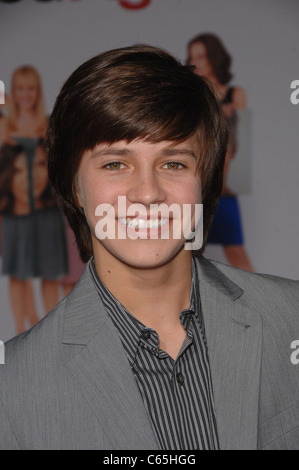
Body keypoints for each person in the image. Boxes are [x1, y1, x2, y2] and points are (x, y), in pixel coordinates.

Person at [0, 45, 298, 450]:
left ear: (204, 181)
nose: (147, 193)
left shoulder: (291, 321)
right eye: (115, 164)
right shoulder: (12, 386)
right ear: (74, 186)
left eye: (173, 163)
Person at [0, 66, 68, 333]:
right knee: (18, 274)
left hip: (47, 209)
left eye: (31, 88)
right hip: (15, 211)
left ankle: (49, 332)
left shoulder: (48, 123)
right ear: (12, 92)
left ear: (37, 91)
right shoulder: (5, 124)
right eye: (20, 88)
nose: (25, 94)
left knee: (49, 273)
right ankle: (20, 332)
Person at [187, 33, 254, 271]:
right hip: (192, 186)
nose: (197, 63)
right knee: (186, 252)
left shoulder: (235, 94)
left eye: (202, 57)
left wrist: (228, 119)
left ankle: (259, 304)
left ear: (215, 58)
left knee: (234, 249)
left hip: (223, 188)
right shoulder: (188, 97)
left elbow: (242, 143)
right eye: (192, 57)